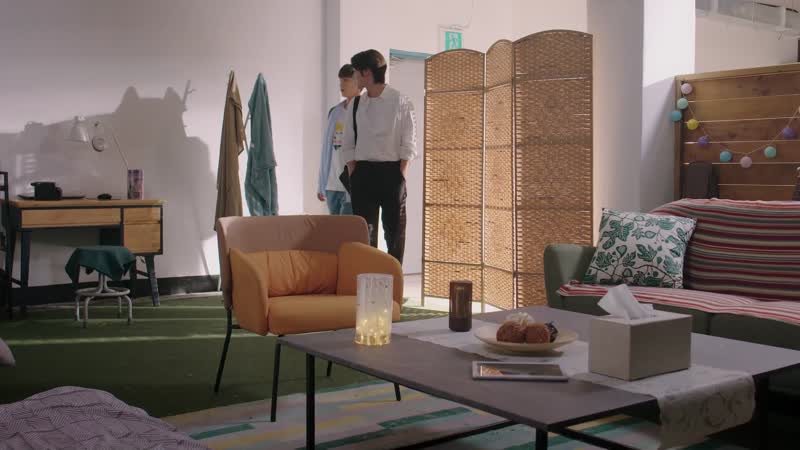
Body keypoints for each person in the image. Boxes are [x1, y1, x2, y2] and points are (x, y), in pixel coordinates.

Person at [341, 49, 417, 263]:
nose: (355, 77)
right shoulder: (356, 104)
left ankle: (395, 280)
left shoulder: (400, 101)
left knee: (395, 234)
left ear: (367, 73)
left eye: (356, 73)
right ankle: (367, 279)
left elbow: (409, 141)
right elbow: (348, 142)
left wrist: (401, 174)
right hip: (362, 173)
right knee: (365, 235)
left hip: (392, 173)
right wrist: (353, 172)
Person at [317, 64, 361, 215]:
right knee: (333, 228)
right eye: (340, 80)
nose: (342, 84)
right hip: (332, 184)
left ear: (358, 82)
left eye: (346, 80)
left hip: (351, 185)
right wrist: (321, 183)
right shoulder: (334, 112)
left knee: (347, 228)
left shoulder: (364, 110)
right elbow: (326, 150)